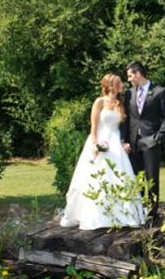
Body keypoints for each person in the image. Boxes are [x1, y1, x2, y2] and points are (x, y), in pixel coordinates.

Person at [60, 74, 145, 230]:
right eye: (119, 83)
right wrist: (95, 144)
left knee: (120, 177)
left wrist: (124, 142)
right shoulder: (99, 102)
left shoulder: (121, 103)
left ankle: (122, 214)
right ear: (110, 85)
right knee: (96, 179)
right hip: (100, 141)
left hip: (116, 144)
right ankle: (96, 216)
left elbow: (123, 128)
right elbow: (93, 127)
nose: (122, 85)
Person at [122, 60, 165, 219]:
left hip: (151, 141)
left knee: (151, 177)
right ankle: (138, 210)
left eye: (130, 76)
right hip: (133, 143)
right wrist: (124, 140)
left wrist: (158, 138)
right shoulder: (129, 93)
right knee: (136, 177)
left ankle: (152, 212)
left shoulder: (159, 92)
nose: (129, 79)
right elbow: (126, 118)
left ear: (138, 74)